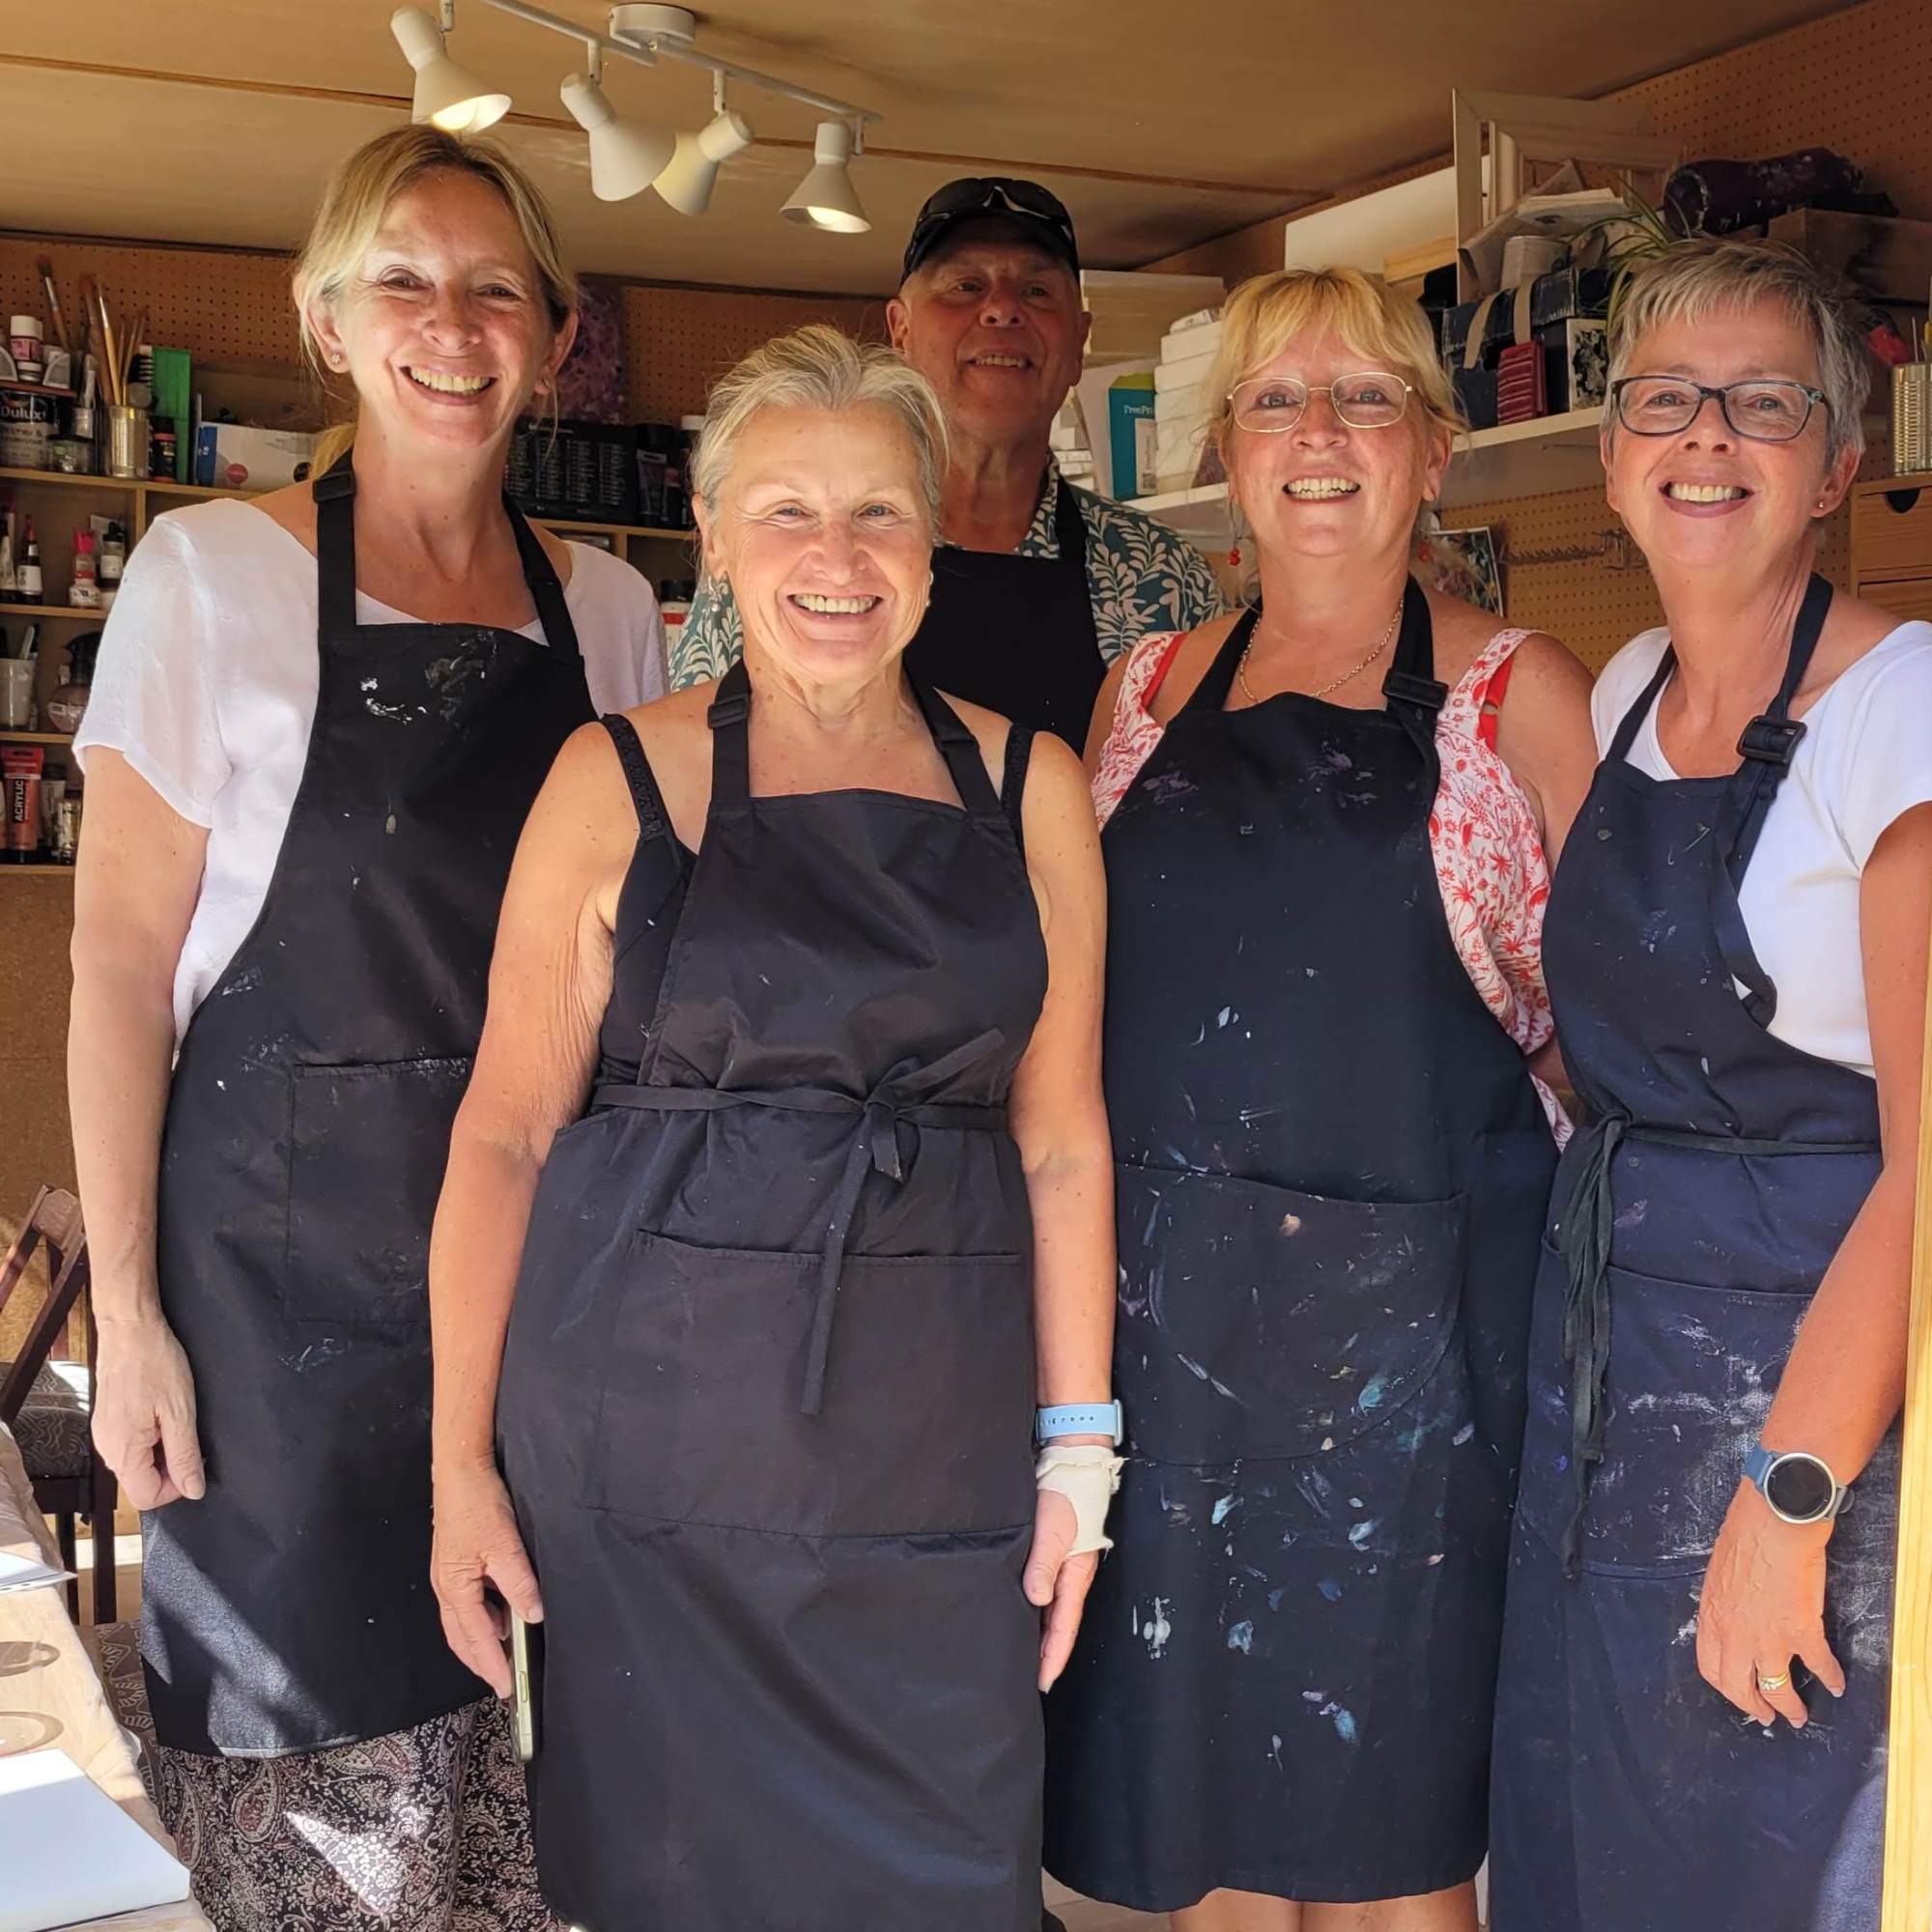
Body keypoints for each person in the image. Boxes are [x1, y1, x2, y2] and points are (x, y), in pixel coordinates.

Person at [427, 325, 1119, 1931]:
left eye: (878, 513)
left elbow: (1064, 1140)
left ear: (935, 545)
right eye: (787, 513)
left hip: (933, 1467)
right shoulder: (614, 780)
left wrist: (1081, 1459)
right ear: (719, 543)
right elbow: (506, 1138)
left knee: (951, 1883)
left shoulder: (1036, 788)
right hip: (644, 1462)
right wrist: (462, 1466)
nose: (836, 556)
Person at [69, 126, 664, 1926]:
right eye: (402, 279)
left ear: (552, 337)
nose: (452, 325)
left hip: (540, 1307)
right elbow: (112, 967)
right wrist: (135, 1320)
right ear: (328, 320)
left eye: (499, 289)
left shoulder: (618, 616)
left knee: (546, 1798)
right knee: (323, 1825)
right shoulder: (207, 578)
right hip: (270, 1325)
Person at [1045, 266, 1599, 1930]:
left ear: (1434, 451)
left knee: (1390, 1844)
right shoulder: (1139, 695)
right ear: (1227, 448)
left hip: (1419, 1376)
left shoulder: (1523, 695)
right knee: (1191, 1833)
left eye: (1367, 397)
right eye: (1282, 398)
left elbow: (1604, 1054)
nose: (1322, 434)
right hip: (1173, 1352)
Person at [1490, 241, 1930, 1932]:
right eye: (1666, 400)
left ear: (1839, 465)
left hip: (1815, 1418)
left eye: (1764, 404)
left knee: (1768, 1851)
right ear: (1611, 460)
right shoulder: (1615, 702)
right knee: (1594, 1835)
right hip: (1608, 1389)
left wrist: (1791, 1496)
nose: (1708, 437)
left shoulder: (1904, 718)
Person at [667, 178, 1225, 744]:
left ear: (1079, 340)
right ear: (900, 330)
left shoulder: (1162, 574)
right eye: (965, 285)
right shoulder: (780, 564)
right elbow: (692, 755)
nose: (1002, 309)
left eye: (1036, 291)